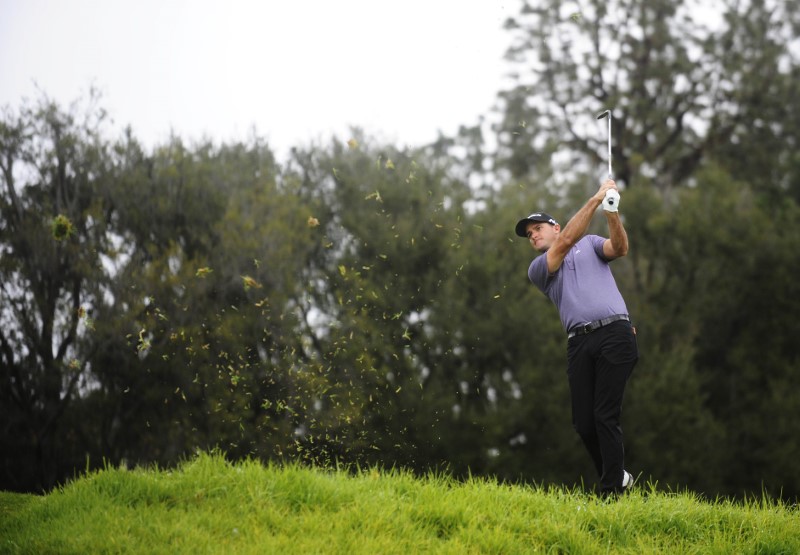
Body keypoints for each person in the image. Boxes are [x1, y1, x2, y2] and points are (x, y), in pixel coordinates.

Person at [515, 178, 638, 496]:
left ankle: (611, 491)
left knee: (604, 414)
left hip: (615, 333)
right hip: (579, 343)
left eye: (537, 228)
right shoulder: (539, 268)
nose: (533, 235)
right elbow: (569, 238)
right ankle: (617, 476)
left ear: (553, 226)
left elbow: (620, 248)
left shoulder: (591, 244)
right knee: (584, 423)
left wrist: (611, 211)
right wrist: (596, 198)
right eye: (529, 234)